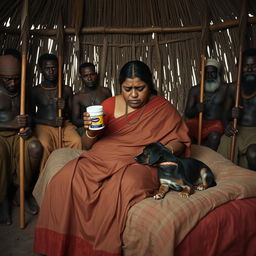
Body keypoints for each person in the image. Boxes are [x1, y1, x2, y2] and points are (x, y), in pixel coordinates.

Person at [33, 60, 191, 256]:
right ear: (120, 86)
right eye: (127, 89)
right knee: (64, 178)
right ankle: (55, 245)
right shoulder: (108, 105)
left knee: (126, 184)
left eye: (140, 88)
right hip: (104, 156)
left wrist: (163, 150)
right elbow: (86, 145)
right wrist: (90, 131)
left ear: (149, 85)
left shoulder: (162, 107)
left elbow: (180, 141)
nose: (133, 94)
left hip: (141, 160)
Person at [0, 55, 43, 225]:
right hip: (1, 136)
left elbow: (31, 116)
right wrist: (11, 124)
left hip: (20, 134)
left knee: (35, 147)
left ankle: (22, 192)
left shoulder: (25, 91)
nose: (13, 84)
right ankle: (3, 200)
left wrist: (29, 127)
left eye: (16, 79)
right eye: (8, 80)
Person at [31, 53, 82, 172]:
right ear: (41, 70)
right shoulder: (35, 91)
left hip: (64, 125)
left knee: (76, 141)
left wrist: (64, 108)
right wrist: (50, 122)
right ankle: (45, 182)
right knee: (44, 145)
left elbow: (71, 115)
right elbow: (31, 117)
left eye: (54, 68)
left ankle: (72, 176)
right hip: (43, 126)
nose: (51, 71)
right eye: (47, 68)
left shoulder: (66, 90)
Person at [217, 48, 256, 171]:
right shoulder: (233, 88)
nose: (250, 70)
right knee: (225, 140)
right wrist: (228, 123)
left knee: (253, 153)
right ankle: (228, 180)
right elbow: (224, 114)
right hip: (238, 129)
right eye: (246, 66)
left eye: (254, 66)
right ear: (239, 68)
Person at [184, 58, 228, 150]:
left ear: (218, 74)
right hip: (198, 123)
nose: (209, 76)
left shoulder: (225, 89)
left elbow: (228, 111)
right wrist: (197, 109)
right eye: (207, 73)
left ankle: (208, 158)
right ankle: (193, 156)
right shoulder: (195, 90)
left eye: (213, 73)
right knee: (184, 131)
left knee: (214, 136)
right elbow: (187, 113)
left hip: (216, 124)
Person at [72, 62, 112, 136]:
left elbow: (112, 112)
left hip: (106, 127)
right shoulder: (77, 97)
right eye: (86, 76)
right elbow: (75, 121)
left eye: (92, 74)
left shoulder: (105, 91)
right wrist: (91, 121)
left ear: (96, 75)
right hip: (87, 129)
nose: (89, 78)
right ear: (81, 77)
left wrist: (103, 120)